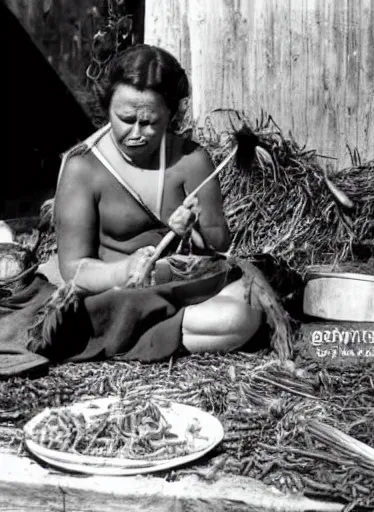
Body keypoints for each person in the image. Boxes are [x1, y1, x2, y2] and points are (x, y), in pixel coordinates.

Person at [53, 44, 263, 358]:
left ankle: (149, 332)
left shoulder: (192, 161)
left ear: (171, 115)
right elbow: (73, 268)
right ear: (107, 106)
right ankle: (149, 331)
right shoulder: (83, 167)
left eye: (149, 122)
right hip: (114, 293)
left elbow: (220, 248)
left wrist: (196, 229)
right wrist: (124, 270)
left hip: (181, 288)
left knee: (243, 310)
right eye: (124, 118)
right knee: (227, 322)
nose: (135, 133)